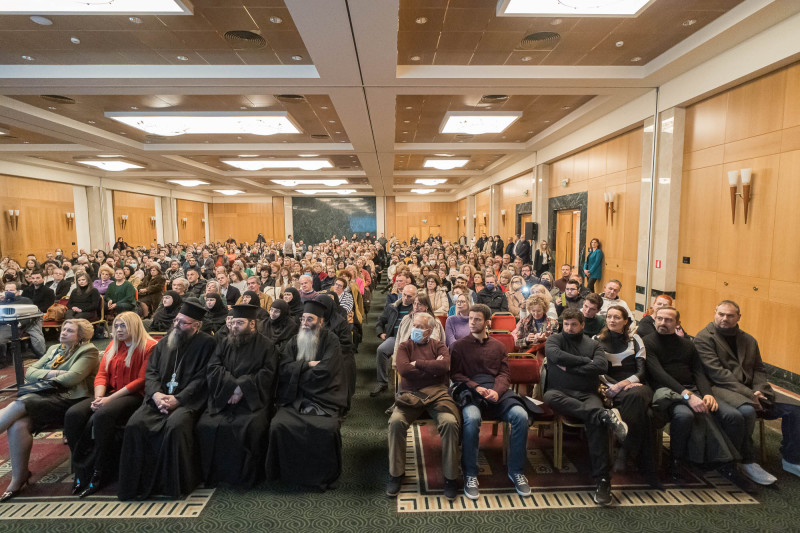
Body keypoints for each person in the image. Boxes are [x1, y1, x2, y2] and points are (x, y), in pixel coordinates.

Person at [643, 306, 755, 491]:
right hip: (668, 392)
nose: (663, 323)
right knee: (685, 415)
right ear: (654, 320)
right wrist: (688, 396)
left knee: (732, 416)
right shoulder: (647, 342)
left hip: (694, 390)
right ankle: (676, 462)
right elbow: (659, 375)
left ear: (677, 323)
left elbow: (698, 372)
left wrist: (707, 394)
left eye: (668, 320)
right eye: (659, 319)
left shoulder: (687, 344)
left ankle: (728, 464)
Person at [117, 300, 216, 500]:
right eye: (176, 320)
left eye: (183, 323)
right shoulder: (165, 342)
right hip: (158, 398)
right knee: (135, 424)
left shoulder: (208, 344)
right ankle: (137, 485)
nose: (177, 325)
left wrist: (178, 399)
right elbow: (151, 372)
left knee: (175, 426)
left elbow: (203, 378)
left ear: (196, 325)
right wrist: (156, 395)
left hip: (189, 400)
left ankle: (172, 485)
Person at [695, 300, 800, 484]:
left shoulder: (749, 340)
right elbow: (718, 374)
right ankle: (747, 460)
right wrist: (750, 395)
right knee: (747, 410)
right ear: (715, 313)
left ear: (738, 317)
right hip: (721, 388)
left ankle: (791, 458)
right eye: (721, 314)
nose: (724, 318)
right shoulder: (704, 338)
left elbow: (759, 369)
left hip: (754, 390)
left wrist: (759, 390)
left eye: (730, 315)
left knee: (795, 409)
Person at [0, 319, 98, 502]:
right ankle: (19, 477)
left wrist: (46, 375)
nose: (63, 332)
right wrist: (55, 373)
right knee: (18, 424)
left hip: (71, 400)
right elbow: (30, 372)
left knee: (20, 404)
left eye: (69, 331)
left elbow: (71, 379)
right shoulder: (55, 349)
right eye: (63, 329)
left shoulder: (88, 351)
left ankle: (19, 477)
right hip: (46, 397)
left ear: (81, 336)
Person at [63, 312, 156, 498]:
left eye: (123, 326)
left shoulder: (149, 346)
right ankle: (81, 469)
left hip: (135, 396)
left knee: (102, 415)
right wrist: (99, 397)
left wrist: (107, 400)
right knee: (73, 414)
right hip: (109, 394)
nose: (119, 330)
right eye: (117, 326)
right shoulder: (113, 345)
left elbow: (141, 381)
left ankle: (99, 470)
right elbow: (102, 374)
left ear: (135, 326)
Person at [543, 308, 628, 506]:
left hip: (588, 393)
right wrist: (584, 362)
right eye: (566, 324)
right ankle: (605, 415)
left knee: (596, 422)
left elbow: (601, 366)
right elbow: (556, 356)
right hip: (560, 391)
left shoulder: (593, 344)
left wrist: (570, 367)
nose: (569, 328)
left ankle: (603, 480)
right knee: (549, 397)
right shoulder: (554, 340)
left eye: (574, 324)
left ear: (582, 325)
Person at [450, 304, 532, 499]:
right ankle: (470, 473)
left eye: (477, 319)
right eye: (470, 318)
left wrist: (497, 391)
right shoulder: (459, 346)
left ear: (487, 322)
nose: (472, 322)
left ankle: (516, 471)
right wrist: (475, 387)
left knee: (521, 416)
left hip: (496, 390)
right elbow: (455, 374)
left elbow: (504, 374)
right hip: (471, 391)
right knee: (471, 419)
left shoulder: (498, 346)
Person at [266, 300, 346, 490]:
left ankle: (322, 476)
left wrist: (298, 372)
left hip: (324, 397)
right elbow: (284, 367)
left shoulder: (331, 341)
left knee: (326, 429)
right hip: (295, 397)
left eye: (310, 319)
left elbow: (326, 370)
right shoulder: (294, 341)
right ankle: (286, 474)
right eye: (302, 319)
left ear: (321, 322)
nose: (304, 323)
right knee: (278, 425)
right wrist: (307, 365)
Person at [196, 305, 278, 488]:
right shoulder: (224, 342)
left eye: (239, 323)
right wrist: (231, 388)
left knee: (251, 427)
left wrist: (242, 389)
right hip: (223, 397)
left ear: (252, 324)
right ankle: (215, 475)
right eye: (232, 323)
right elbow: (213, 367)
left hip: (252, 400)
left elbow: (267, 373)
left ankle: (245, 478)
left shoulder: (267, 346)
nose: (234, 326)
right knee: (206, 425)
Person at [386, 313, 459, 500]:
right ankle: (396, 474)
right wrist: (432, 370)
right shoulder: (404, 346)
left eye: (420, 327)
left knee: (450, 423)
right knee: (395, 422)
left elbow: (445, 367)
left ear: (429, 331)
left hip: (438, 394)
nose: (415, 329)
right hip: (410, 395)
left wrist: (418, 364)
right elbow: (404, 370)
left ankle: (450, 477)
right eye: (414, 325)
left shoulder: (439, 346)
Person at [594, 306, 659, 487]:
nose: (612, 320)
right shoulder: (596, 341)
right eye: (609, 317)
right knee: (647, 415)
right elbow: (598, 371)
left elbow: (641, 371)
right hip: (609, 387)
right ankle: (646, 466)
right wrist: (615, 387)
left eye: (617, 317)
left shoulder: (635, 339)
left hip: (636, 385)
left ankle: (624, 449)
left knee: (636, 395)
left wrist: (624, 384)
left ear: (625, 321)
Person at [372, 284, 416, 396]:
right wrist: (380, 333)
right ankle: (382, 382)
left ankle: (405, 388)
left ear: (415, 297)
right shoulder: (393, 307)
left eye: (409, 296)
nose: (405, 298)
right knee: (381, 350)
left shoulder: (415, 308)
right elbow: (380, 320)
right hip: (394, 337)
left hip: (409, 340)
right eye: (404, 295)